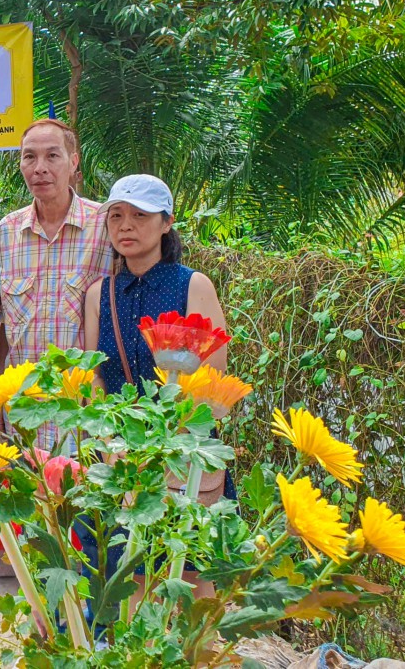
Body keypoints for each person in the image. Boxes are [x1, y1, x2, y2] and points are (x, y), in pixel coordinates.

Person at [81, 174, 230, 594]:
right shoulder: (100, 294)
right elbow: (94, 377)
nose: (125, 225)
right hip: (120, 461)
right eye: (116, 216)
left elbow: (213, 379)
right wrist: (110, 444)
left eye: (140, 216)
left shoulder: (192, 285)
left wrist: (168, 442)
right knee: (131, 582)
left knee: (192, 582)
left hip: (184, 460)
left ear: (167, 223)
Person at [0, 118, 114, 448]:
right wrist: (2, 393)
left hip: (85, 412)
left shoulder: (105, 226)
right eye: (29, 157)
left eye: (52, 156)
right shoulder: (6, 232)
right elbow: (6, 325)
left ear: (73, 162)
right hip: (24, 410)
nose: (40, 168)